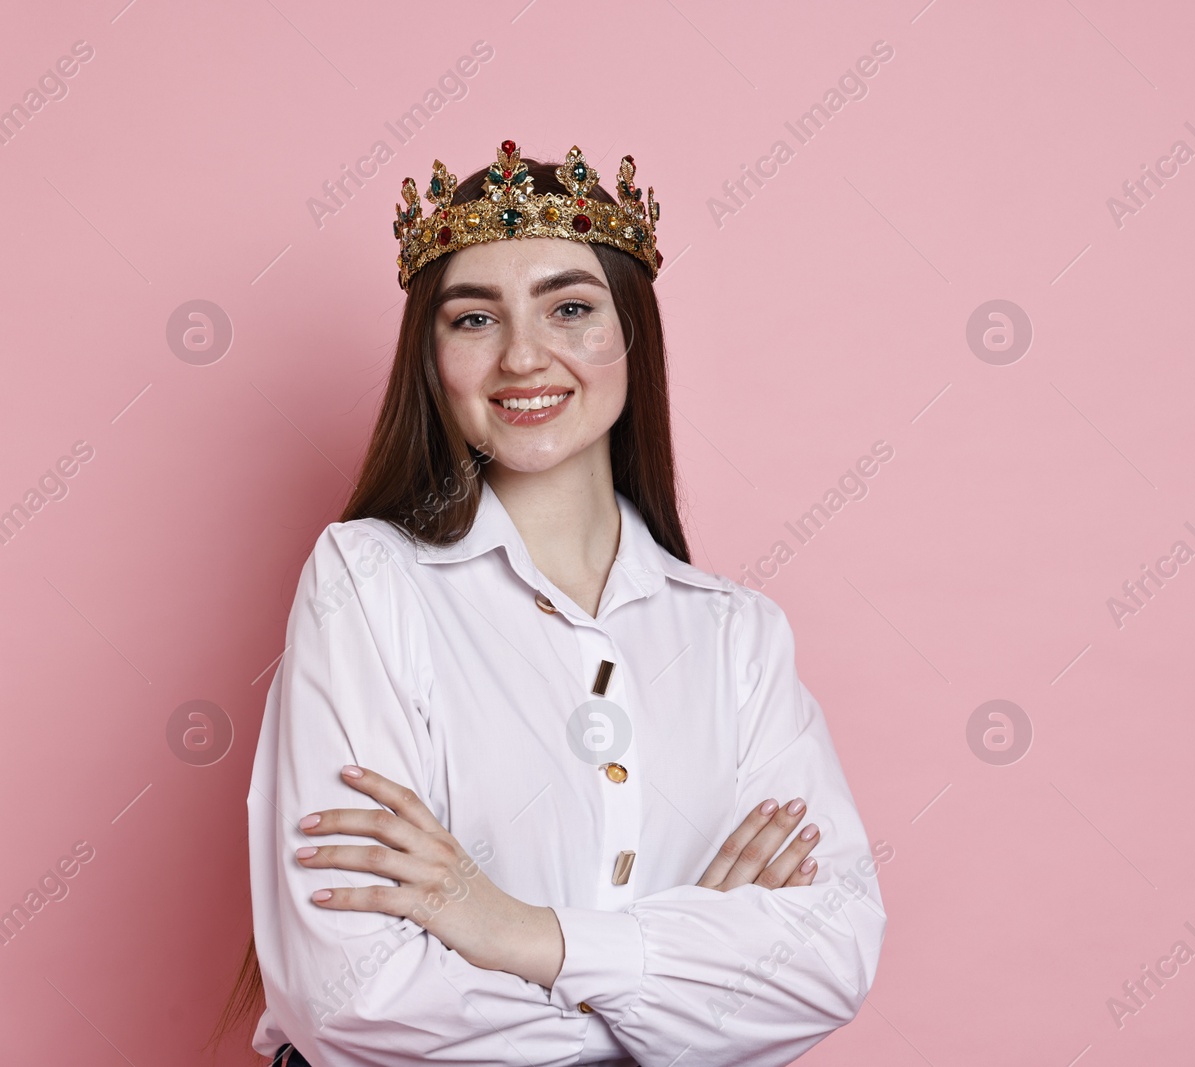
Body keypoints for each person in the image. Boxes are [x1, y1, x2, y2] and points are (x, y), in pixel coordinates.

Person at [221, 141, 888, 1067]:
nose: (523, 356)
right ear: (432, 356)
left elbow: (828, 960)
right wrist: (676, 993)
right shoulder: (367, 583)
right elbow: (351, 996)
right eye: (473, 319)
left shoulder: (736, 636)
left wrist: (518, 931)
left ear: (632, 339)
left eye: (570, 308)